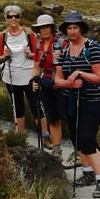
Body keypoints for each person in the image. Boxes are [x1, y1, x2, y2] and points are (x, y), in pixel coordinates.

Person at [55, 10, 100, 198]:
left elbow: (99, 76)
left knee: (87, 139)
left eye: (75, 27)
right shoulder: (64, 51)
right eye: (68, 28)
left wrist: (79, 73)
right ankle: (88, 175)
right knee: (77, 139)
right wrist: (69, 83)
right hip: (72, 101)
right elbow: (58, 80)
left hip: (93, 101)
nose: (72, 31)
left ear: (81, 28)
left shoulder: (92, 48)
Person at [0, 5, 39, 134]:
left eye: (16, 16)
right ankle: (21, 136)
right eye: (10, 16)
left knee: (36, 106)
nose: (13, 19)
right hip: (11, 76)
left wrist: (30, 54)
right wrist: (5, 55)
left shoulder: (29, 33)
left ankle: (44, 136)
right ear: (6, 18)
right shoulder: (1, 36)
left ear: (20, 18)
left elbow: (39, 56)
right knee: (18, 107)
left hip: (30, 75)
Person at [31, 13, 67, 159]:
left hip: (61, 85)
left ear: (52, 28)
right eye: (41, 28)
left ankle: (79, 152)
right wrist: (34, 79)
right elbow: (36, 66)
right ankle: (57, 150)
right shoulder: (39, 45)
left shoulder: (62, 44)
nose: (44, 30)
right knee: (53, 118)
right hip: (45, 85)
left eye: (47, 27)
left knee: (68, 117)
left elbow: (68, 64)